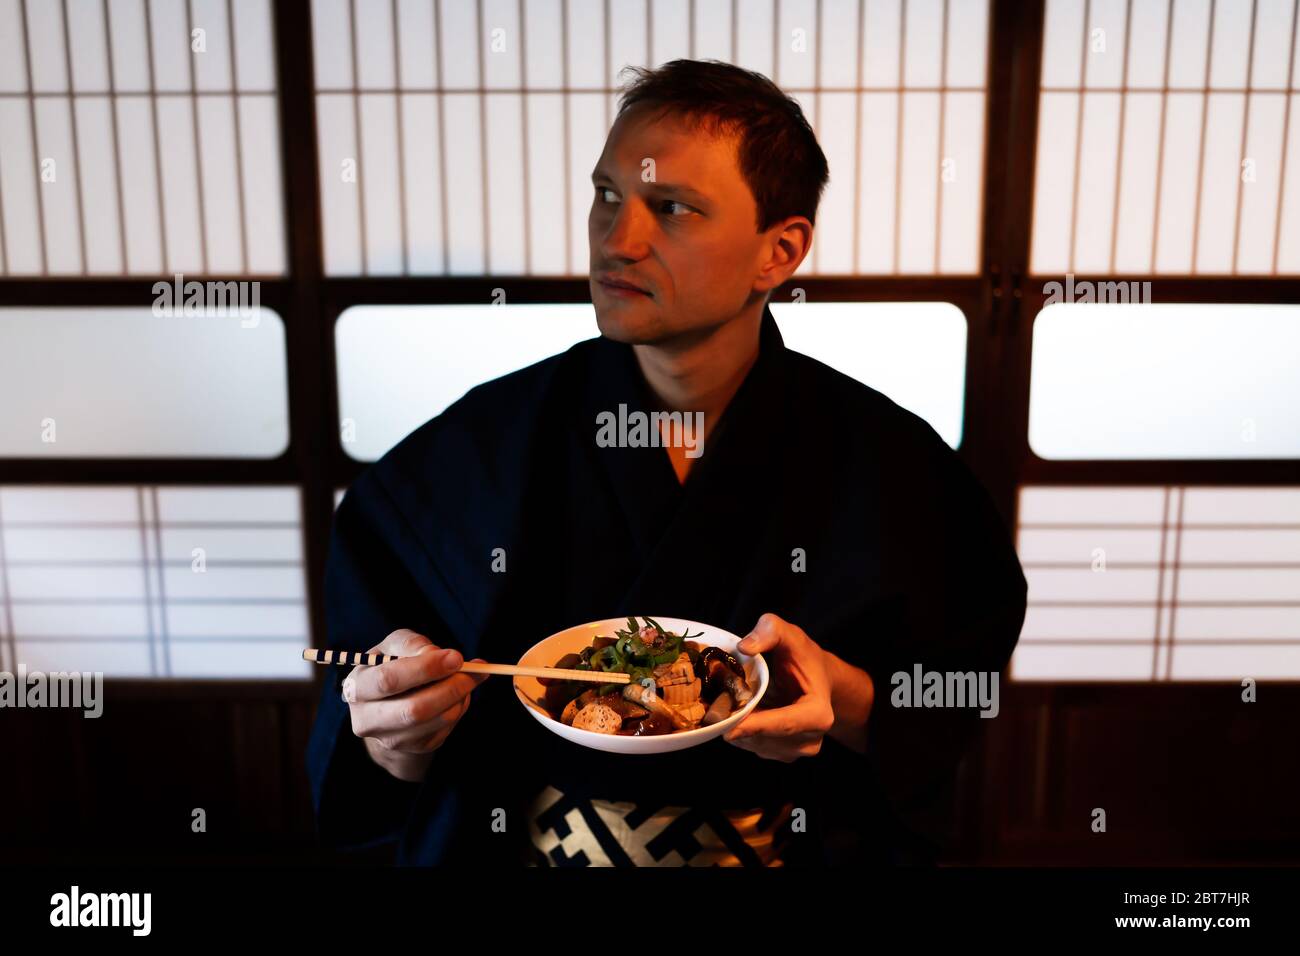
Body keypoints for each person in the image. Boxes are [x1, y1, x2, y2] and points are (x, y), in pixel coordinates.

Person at [306, 58, 1028, 866]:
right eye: (606, 195)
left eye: (673, 209)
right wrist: (394, 738)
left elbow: (949, 687)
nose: (619, 239)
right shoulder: (479, 448)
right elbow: (372, 706)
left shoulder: (893, 465)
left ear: (778, 252)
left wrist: (843, 694)